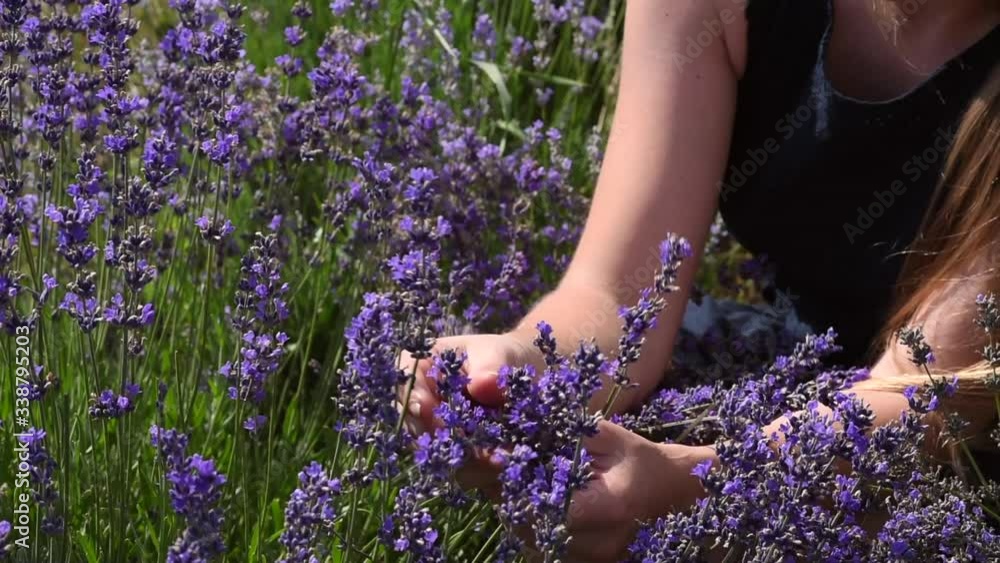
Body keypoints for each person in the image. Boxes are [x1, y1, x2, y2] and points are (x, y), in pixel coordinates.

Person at [400, 1, 1000, 560]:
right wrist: (520, 367)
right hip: (800, 365)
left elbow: (928, 395)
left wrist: (686, 487)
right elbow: (616, 294)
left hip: (952, 430)